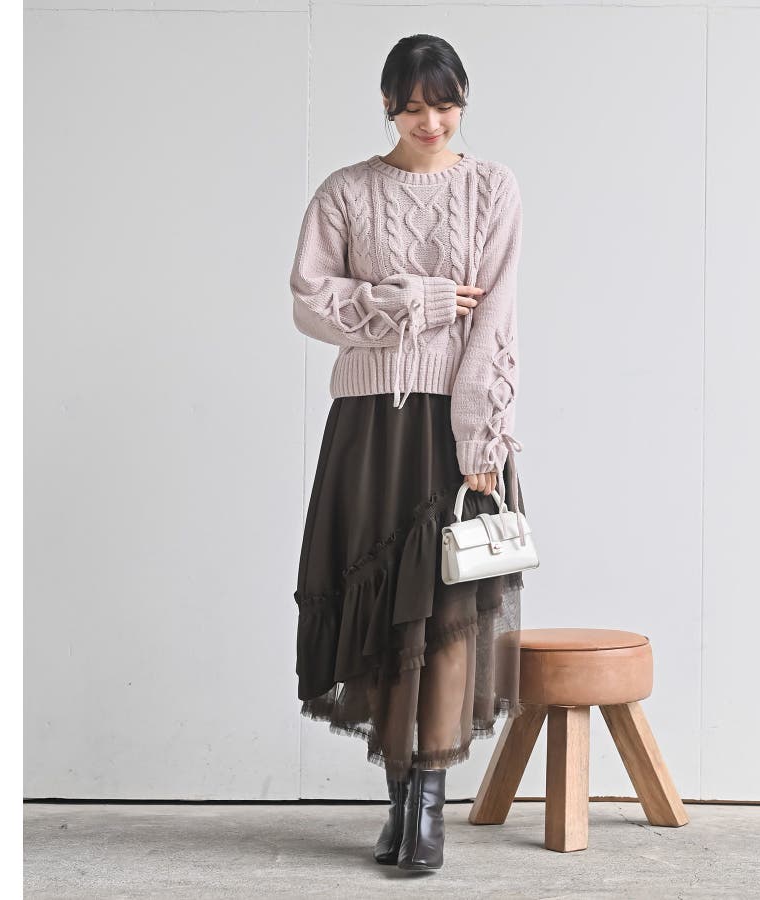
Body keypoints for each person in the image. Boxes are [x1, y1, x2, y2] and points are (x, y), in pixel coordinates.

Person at [289, 33, 526, 873]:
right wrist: (414, 302)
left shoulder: (492, 188)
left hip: (456, 424)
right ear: (388, 105)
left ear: (463, 101)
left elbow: (494, 320)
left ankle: (427, 808)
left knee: (448, 609)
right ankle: (398, 798)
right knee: (386, 609)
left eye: (445, 104)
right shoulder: (345, 191)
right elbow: (309, 302)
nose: (431, 122)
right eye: (414, 107)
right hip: (369, 424)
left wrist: (479, 436)